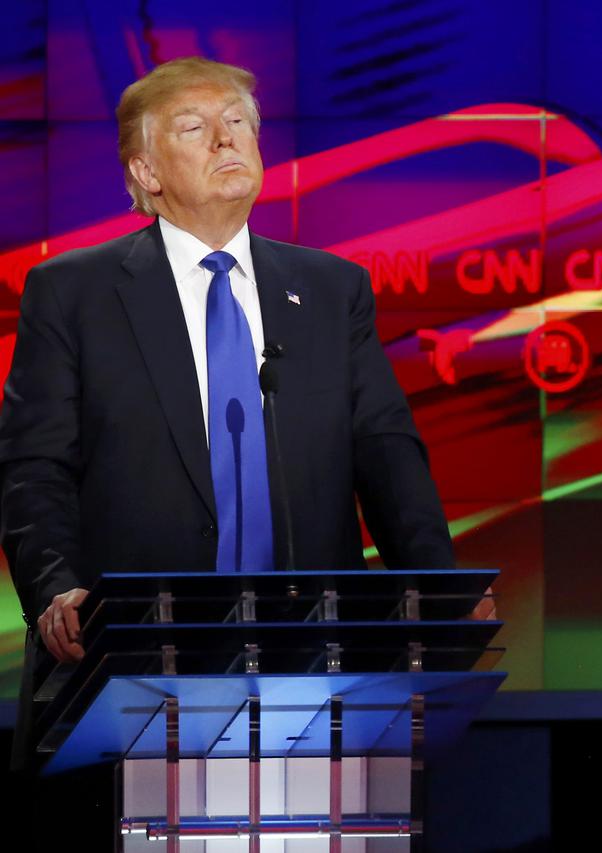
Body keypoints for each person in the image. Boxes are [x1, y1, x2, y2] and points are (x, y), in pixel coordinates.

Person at [0, 57, 479, 764]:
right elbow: (35, 466)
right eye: (196, 128)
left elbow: (386, 453)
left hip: (314, 660)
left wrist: (441, 594)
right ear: (146, 174)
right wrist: (57, 586)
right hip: (135, 660)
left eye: (238, 124)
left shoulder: (329, 288)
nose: (228, 141)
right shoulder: (74, 293)